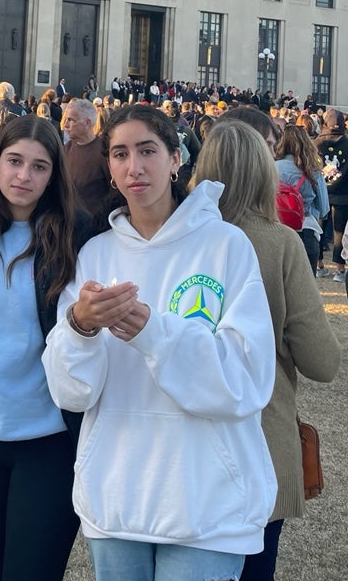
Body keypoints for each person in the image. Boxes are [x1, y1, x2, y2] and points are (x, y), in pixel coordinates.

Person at [43, 104, 277, 581]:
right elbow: (72, 393)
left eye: (148, 151)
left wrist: (155, 333)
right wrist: (80, 328)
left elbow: (248, 379)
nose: (135, 167)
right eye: (120, 154)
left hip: (205, 499)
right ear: (108, 166)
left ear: (175, 158)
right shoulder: (96, 254)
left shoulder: (226, 247)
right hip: (116, 496)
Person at [191, 120, 341, 581]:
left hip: (188, 437)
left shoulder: (178, 235)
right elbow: (322, 361)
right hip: (260, 431)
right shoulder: (279, 243)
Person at [0, 114, 87, 581]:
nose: (24, 176)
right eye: (14, 161)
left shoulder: (78, 234)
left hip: (48, 441)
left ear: (54, 174)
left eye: (39, 166)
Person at [275, 125, 329, 275]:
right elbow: (324, 208)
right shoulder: (313, 171)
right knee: (306, 290)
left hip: (277, 230)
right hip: (306, 231)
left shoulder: (272, 167)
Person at [63, 98, 113, 222]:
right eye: (66, 120)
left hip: (94, 227)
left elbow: (114, 193)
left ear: (87, 123)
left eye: (71, 120)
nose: (65, 125)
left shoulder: (105, 152)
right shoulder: (66, 149)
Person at [315, 109, 348, 283]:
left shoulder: (316, 143)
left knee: (319, 229)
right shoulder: (347, 142)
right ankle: (340, 269)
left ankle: (319, 265)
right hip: (342, 194)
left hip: (321, 193)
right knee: (340, 232)